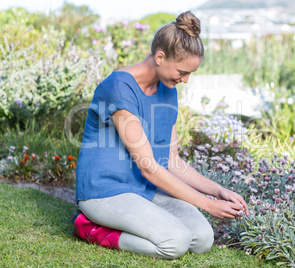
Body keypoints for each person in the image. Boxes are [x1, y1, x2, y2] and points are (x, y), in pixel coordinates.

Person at [70, 11, 249, 259]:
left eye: (190, 74)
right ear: (160, 57)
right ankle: (88, 226)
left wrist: (219, 192)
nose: (185, 80)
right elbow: (148, 167)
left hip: (144, 190)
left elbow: (172, 162)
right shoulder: (118, 88)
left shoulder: (168, 91)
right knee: (175, 242)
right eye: (182, 72)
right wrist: (208, 205)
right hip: (104, 191)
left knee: (202, 239)